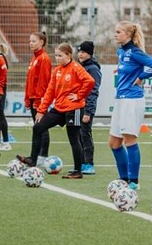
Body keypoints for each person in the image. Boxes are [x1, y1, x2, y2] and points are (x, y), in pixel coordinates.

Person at [17, 43, 95, 179]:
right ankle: (32, 159)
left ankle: (78, 171)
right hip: (59, 108)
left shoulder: (76, 67)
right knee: (37, 128)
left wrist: (79, 95)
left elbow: (90, 81)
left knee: (74, 138)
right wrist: (41, 110)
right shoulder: (57, 71)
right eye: (56, 55)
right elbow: (50, 91)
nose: (57, 58)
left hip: (74, 109)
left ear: (69, 55)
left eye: (60, 55)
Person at [110, 21, 152, 190]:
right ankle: (123, 179)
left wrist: (141, 77)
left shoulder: (135, 52)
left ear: (127, 35)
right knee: (114, 143)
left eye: (118, 32)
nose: (115, 34)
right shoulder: (121, 51)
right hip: (120, 99)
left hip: (132, 100)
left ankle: (133, 181)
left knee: (129, 140)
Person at [24, 32, 52, 166]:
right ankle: (34, 156)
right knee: (37, 128)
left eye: (33, 41)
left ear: (41, 42)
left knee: (41, 127)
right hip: (32, 98)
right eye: (30, 41)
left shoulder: (44, 59)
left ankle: (42, 155)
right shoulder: (34, 58)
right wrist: (27, 97)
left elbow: (43, 82)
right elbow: (30, 81)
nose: (31, 43)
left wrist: (38, 100)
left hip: (39, 100)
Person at [75, 41, 102, 175]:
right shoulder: (82, 66)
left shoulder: (92, 69)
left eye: (83, 52)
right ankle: (80, 162)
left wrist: (88, 111)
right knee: (78, 134)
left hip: (86, 108)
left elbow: (93, 91)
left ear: (89, 54)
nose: (80, 54)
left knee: (85, 134)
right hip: (77, 106)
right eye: (79, 51)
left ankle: (89, 163)